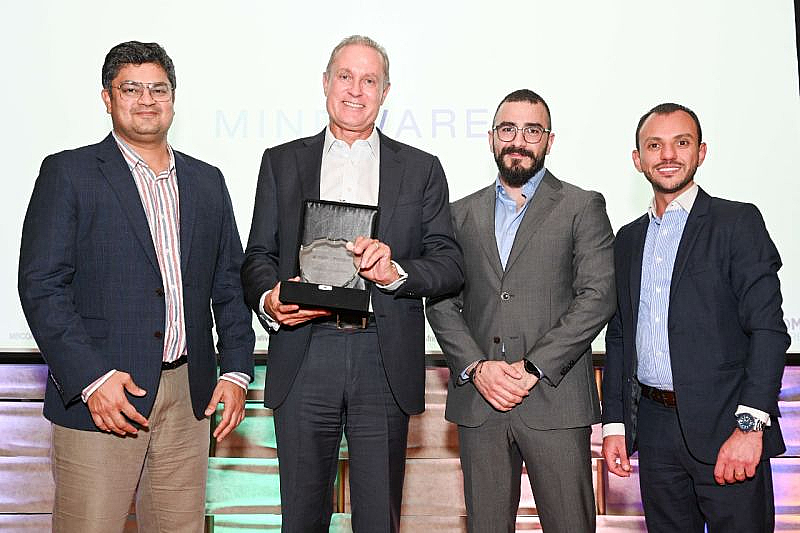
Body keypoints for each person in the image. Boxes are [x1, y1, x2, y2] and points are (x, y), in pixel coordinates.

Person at [18, 41, 255, 533]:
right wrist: (90, 379)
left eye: (158, 89)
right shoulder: (69, 173)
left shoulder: (207, 181)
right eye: (132, 88)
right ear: (107, 97)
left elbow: (229, 284)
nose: (147, 100)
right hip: (105, 398)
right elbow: (42, 287)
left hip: (189, 396)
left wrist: (235, 372)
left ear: (173, 98)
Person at [240, 35, 463, 532]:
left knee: (378, 518)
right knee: (299, 516)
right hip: (304, 350)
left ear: (386, 92)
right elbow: (257, 256)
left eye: (369, 80)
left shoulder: (422, 169)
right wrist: (270, 299)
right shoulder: (281, 161)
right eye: (345, 77)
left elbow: (449, 263)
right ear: (325, 84)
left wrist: (396, 271)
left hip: (380, 356)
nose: (356, 90)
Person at [426, 89, 615, 533]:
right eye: (508, 129)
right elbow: (439, 300)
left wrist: (533, 367)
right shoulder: (457, 214)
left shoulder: (581, 205)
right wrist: (477, 368)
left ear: (549, 141)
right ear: (492, 138)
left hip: (556, 399)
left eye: (532, 130)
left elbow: (598, 296)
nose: (519, 139)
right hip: (480, 403)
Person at [601, 102, 789, 532]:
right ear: (638, 159)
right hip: (654, 430)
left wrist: (749, 427)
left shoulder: (736, 222)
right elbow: (619, 337)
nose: (668, 155)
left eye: (681, 143)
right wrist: (615, 423)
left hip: (728, 428)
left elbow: (768, 331)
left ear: (701, 152)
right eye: (655, 145)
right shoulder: (628, 239)